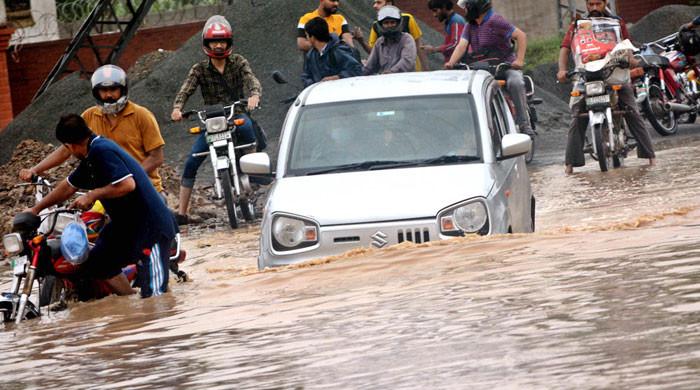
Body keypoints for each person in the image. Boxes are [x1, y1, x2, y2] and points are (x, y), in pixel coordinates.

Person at [28, 114, 176, 298]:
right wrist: (35, 210)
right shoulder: (90, 157)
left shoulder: (102, 150)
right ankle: (131, 301)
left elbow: (127, 185)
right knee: (99, 263)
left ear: (70, 146)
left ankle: (148, 304)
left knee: (155, 298)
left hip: (151, 228)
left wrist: (92, 194)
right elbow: (68, 186)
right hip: (126, 226)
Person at [20, 64, 166, 197]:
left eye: (113, 89)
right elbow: (66, 150)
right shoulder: (89, 116)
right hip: (109, 192)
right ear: (96, 92)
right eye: (103, 90)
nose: (108, 95)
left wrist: (129, 178)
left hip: (145, 189)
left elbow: (156, 157)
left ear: (123, 89)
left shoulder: (142, 115)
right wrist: (35, 169)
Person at [170, 15, 262, 224]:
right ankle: (182, 212)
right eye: (215, 41)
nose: (219, 46)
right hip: (212, 120)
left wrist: (254, 95)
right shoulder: (199, 69)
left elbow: (251, 79)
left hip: (235, 113)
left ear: (228, 43)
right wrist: (177, 108)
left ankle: (252, 174)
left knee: (248, 129)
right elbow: (186, 89)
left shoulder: (238, 61)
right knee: (192, 161)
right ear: (207, 43)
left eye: (222, 41)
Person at [556, 0, 655, 174]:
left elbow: (626, 44)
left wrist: (631, 60)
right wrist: (562, 70)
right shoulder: (577, 25)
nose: (594, 8)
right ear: (586, 5)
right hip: (586, 75)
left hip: (614, 74)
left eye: (598, 4)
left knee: (632, 110)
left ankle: (650, 157)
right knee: (578, 114)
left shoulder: (617, 23)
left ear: (605, 3)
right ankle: (570, 164)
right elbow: (565, 48)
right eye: (590, 4)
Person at [444, 0, 534, 136]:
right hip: (483, 68)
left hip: (505, 66)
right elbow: (462, 45)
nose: (465, 11)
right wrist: (451, 63)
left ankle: (523, 123)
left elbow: (521, 35)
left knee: (516, 82)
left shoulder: (495, 21)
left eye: (467, 7)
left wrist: (519, 60)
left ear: (476, 7)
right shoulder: (470, 26)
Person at [352, 0, 429, 71]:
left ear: (389, 3)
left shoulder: (407, 21)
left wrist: (425, 70)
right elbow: (374, 55)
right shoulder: (377, 30)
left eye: (379, 2)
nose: (375, 6)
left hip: (408, 74)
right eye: (386, 23)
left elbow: (418, 47)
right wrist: (361, 41)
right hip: (387, 77)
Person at [301, 17, 363, 87]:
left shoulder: (339, 50)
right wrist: (315, 85)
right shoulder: (310, 55)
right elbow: (305, 76)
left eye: (307, 35)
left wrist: (337, 77)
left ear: (312, 37)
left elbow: (356, 70)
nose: (306, 38)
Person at [363, 5, 417, 75]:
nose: (389, 25)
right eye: (386, 23)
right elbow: (370, 66)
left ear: (398, 23)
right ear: (381, 25)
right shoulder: (379, 42)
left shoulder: (407, 39)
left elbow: (407, 62)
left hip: (404, 81)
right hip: (385, 82)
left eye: (392, 22)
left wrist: (391, 72)